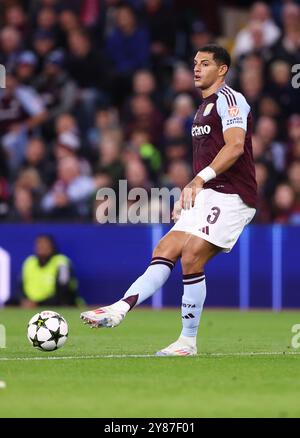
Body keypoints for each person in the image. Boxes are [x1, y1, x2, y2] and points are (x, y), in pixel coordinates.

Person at [80, 44, 257, 356]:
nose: (197, 69)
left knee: (191, 255)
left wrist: (198, 180)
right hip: (208, 194)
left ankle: (187, 341)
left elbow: (235, 147)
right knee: (165, 248)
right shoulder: (200, 109)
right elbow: (206, 158)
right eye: (195, 64)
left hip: (234, 195)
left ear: (222, 69)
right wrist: (192, 191)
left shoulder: (231, 100)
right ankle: (119, 309)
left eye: (205, 63)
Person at [20, 234, 78, 307]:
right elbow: (20, 285)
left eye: (45, 243)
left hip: (55, 303)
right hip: (31, 303)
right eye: (39, 243)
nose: (41, 246)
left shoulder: (61, 262)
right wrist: (25, 300)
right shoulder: (29, 261)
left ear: (52, 246)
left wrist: (39, 304)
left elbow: (63, 289)